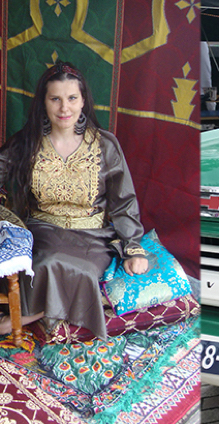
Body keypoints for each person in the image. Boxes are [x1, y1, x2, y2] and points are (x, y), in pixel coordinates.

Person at [0, 62, 149, 336]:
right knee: (47, 260)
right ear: (43, 103)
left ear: (83, 102)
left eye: (71, 99)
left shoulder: (105, 145)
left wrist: (132, 246)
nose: (64, 108)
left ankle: (27, 316)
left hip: (93, 235)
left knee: (83, 270)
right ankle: (47, 312)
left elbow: (123, 201)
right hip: (43, 230)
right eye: (55, 99)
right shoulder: (27, 142)